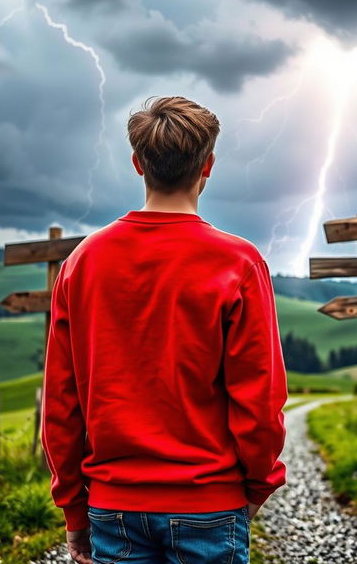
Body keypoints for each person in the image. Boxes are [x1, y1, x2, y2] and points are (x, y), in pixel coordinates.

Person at [41, 95, 288, 564]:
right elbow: (259, 398)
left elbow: (61, 400)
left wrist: (74, 510)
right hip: (210, 505)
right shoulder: (239, 262)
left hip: (114, 509)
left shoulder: (82, 264)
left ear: (137, 164)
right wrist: (258, 485)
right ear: (208, 166)